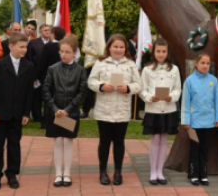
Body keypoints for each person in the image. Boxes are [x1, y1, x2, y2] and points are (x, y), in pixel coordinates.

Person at [88, 33, 142, 186]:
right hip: (104, 109)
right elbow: (91, 81)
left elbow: (139, 85)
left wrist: (128, 88)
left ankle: (118, 172)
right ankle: (103, 171)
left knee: (119, 142)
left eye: (121, 47)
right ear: (109, 47)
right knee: (104, 142)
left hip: (122, 110)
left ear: (125, 49)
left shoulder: (131, 65)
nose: (118, 50)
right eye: (115, 46)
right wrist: (101, 86)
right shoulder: (100, 62)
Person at [43, 36, 87, 187]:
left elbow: (82, 92)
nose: (63, 54)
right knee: (57, 141)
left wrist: (68, 110)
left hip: (71, 113)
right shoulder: (52, 69)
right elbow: (46, 90)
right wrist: (55, 109)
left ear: (74, 53)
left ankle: (67, 173)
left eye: (67, 52)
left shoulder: (80, 71)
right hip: (55, 112)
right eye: (61, 51)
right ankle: (58, 174)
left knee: (67, 141)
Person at [0, 33, 34, 190]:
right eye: (21, 47)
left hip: (17, 114)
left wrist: (26, 113)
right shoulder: (0, 65)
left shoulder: (29, 66)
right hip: (0, 114)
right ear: (11, 46)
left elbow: (29, 92)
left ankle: (12, 174)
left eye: (26, 47)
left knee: (14, 145)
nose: (24, 50)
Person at [139, 38, 181, 185]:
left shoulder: (174, 69)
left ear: (168, 52)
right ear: (154, 52)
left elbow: (178, 89)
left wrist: (172, 97)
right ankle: (152, 172)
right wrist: (150, 97)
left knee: (164, 139)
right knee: (155, 139)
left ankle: (160, 171)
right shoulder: (147, 69)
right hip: (153, 109)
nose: (161, 54)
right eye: (158, 51)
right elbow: (141, 90)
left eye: (164, 51)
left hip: (169, 109)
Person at [181, 53, 218, 186]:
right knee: (195, 148)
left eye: (207, 63)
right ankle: (194, 174)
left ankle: (203, 174)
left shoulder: (213, 80)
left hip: (208, 120)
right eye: (202, 63)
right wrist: (186, 120)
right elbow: (186, 102)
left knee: (205, 148)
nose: (205, 65)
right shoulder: (189, 81)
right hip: (194, 121)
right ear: (196, 64)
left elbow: (217, 100)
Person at [26, 24, 51, 123]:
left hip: (50, 74)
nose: (47, 32)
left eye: (49, 30)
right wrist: (33, 75)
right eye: (45, 30)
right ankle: (37, 117)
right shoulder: (33, 43)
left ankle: (47, 117)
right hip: (37, 74)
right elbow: (29, 58)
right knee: (37, 97)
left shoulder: (53, 43)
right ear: (40, 32)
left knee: (48, 96)